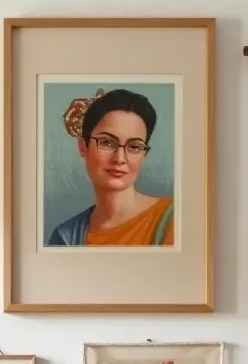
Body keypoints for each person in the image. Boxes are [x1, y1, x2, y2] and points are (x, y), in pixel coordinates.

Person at [47, 88, 174, 247]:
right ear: (83, 147)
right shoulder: (66, 237)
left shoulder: (172, 220)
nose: (120, 159)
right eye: (107, 142)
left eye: (134, 146)